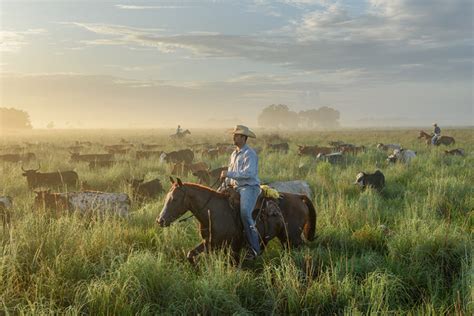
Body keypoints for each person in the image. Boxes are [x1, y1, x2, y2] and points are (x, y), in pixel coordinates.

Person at [220, 125, 261, 260]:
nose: (234, 137)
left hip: (249, 187)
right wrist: (224, 183)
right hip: (235, 186)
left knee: (244, 213)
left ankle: (254, 248)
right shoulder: (234, 154)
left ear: (244, 138)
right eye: (234, 134)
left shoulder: (250, 154)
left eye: (237, 135)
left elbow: (249, 173)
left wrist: (229, 173)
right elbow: (231, 175)